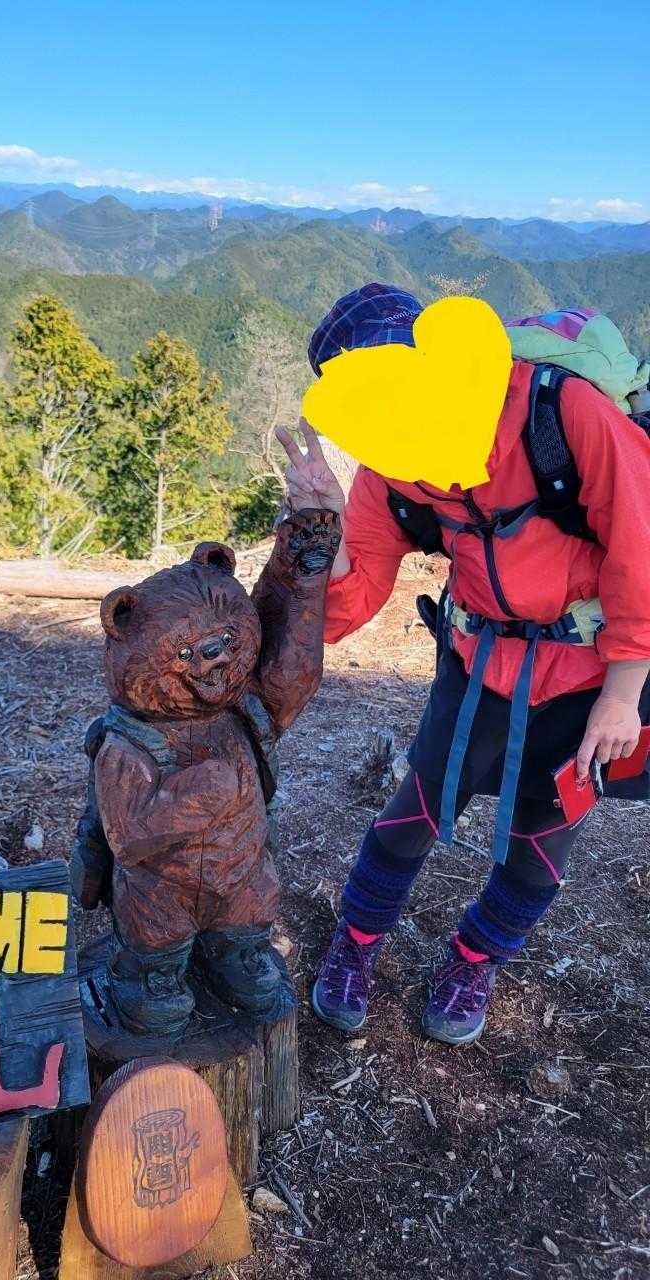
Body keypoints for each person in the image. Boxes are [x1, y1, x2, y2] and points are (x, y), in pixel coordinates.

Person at [278, 282, 650, 1045]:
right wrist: (321, 529)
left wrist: (624, 695)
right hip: (478, 663)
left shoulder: (560, 411)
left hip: (588, 675)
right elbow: (351, 599)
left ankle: (475, 959)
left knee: (542, 839)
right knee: (413, 812)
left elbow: (639, 550)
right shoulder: (393, 459)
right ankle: (357, 941)